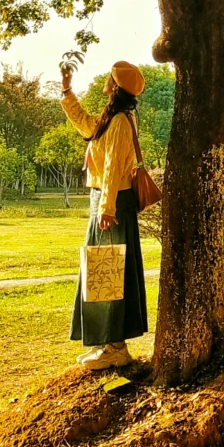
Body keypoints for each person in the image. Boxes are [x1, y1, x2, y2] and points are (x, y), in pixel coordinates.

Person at [61, 60, 149, 371]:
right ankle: (105, 343)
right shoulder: (111, 117)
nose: (105, 81)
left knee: (110, 273)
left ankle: (116, 348)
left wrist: (107, 208)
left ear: (115, 86)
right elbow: (87, 126)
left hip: (113, 204)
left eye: (109, 78)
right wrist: (67, 92)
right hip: (104, 201)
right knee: (101, 272)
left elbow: (112, 167)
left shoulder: (121, 122)